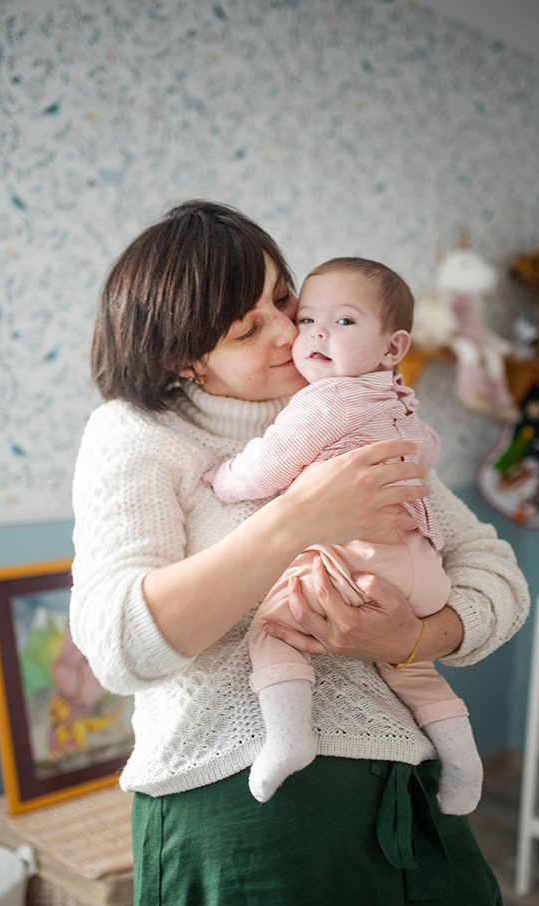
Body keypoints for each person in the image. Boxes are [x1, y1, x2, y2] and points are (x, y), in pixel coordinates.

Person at [70, 200, 529, 906]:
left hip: (408, 806)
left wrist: (417, 636)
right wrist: (295, 520)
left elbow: (491, 571)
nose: (291, 332)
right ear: (185, 359)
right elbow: (118, 647)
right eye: (248, 329)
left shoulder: (350, 406)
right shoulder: (135, 436)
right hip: (240, 818)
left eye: (283, 299)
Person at [205, 256, 483, 813]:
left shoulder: (326, 401)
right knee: (413, 667)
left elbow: (267, 466)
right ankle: (465, 767)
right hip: (424, 572)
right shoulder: (398, 398)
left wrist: (221, 477)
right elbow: (425, 452)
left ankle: (288, 737)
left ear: (394, 347)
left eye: (345, 322)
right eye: (308, 321)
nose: (317, 335)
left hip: (360, 560)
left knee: (277, 629)